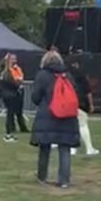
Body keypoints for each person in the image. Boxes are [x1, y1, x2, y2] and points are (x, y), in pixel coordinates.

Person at [31, 50, 80, 189]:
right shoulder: (68, 75)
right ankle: (64, 180)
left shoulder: (42, 75)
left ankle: (42, 177)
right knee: (64, 148)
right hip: (67, 117)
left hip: (47, 116)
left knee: (44, 147)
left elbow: (35, 97)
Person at [70, 58, 99, 157]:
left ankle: (73, 149)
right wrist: (91, 105)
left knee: (73, 126)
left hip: (69, 102)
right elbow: (88, 92)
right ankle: (89, 148)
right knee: (83, 125)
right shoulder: (82, 77)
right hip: (80, 103)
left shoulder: (67, 76)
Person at [0, 53, 28, 142]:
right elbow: (10, 82)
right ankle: (9, 131)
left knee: (15, 112)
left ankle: (13, 129)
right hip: (10, 94)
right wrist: (17, 86)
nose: (14, 61)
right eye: (12, 59)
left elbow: (19, 78)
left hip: (11, 93)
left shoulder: (8, 70)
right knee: (10, 113)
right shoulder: (5, 72)